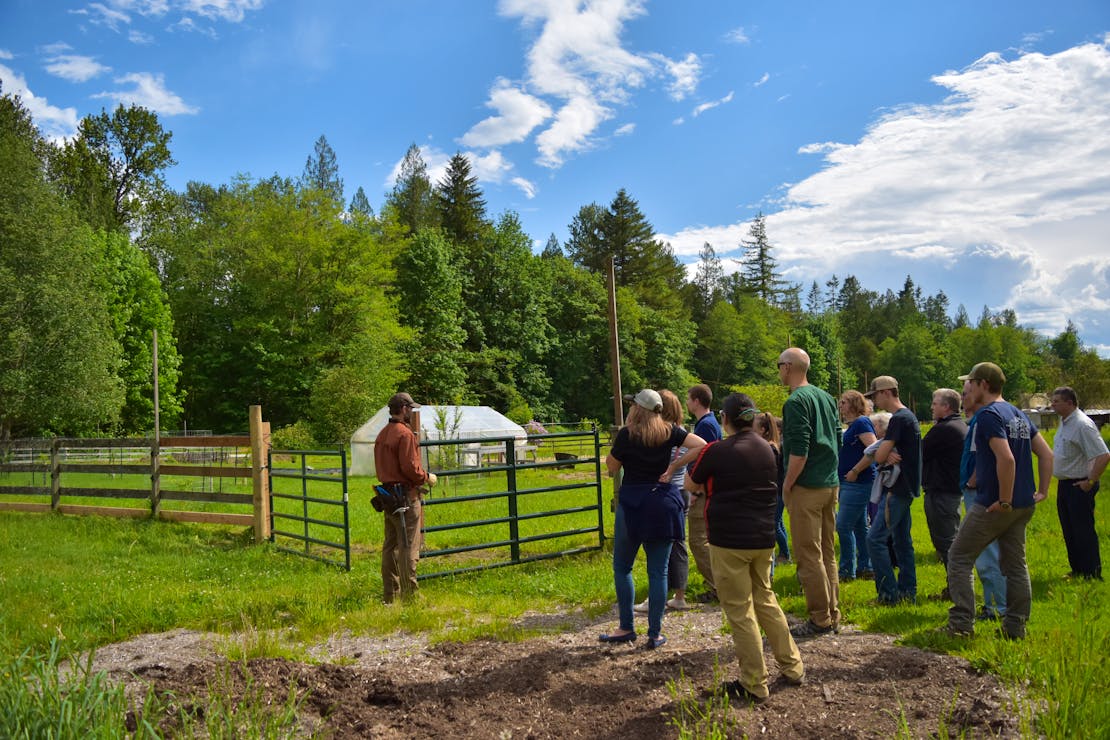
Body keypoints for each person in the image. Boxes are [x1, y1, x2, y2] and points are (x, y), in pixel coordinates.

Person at [686, 393, 805, 704]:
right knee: (766, 600)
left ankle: (754, 682)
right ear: (752, 419)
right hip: (763, 538)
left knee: (740, 611)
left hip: (729, 541)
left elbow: (690, 484)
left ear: (725, 419)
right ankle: (793, 666)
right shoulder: (769, 449)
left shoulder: (717, 450)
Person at [944, 363, 1052, 640]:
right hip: (1023, 504)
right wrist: (1042, 491)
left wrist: (1003, 500)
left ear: (983, 384)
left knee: (958, 557)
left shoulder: (989, 415)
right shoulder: (1017, 413)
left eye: (970, 383)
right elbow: (1047, 454)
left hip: (995, 504)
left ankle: (961, 625)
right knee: (1016, 565)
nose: (967, 388)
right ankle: (1015, 628)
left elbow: (1007, 458)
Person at [601, 389, 706, 649]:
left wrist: (614, 457)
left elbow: (612, 467)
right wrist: (673, 467)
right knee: (658, 571)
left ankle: (626, 626)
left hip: (633, 504)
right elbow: (701, 445)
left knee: (623, 567)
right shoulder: (670, 431)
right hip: (662, 503)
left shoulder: (628, 434)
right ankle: (655, 633)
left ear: (637, 409)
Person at [777, 347, 841, 638]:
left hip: (807, 485)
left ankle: (819, 618)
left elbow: (799, 450)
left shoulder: (795, 401)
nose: (778, 371)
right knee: (827, 552)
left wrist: (787, 484)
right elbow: (837, 437)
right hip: (830, 483)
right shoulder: (826, 397)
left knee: (808, 555)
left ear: (789, 367)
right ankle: (832, 612)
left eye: (780, 365)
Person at [374, 392, 437, 603]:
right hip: (406, 497)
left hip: (388, 496)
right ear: (402, 408)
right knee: (409, 546)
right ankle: (411, 596)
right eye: (410, 408)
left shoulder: (383, 434)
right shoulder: (405, 434)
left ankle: (390, 595)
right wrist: (427, 477)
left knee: (390, 545)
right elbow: (410, 467)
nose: (411, 412)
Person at [864, 375, 921, 605]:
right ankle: (908, 591)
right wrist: (886, 453)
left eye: (875, 395)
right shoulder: (909, 417)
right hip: (906, 487)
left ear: (886, 392)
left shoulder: (899, 419)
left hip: (896, 488)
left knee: (875, 539)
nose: (875, 401)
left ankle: (888, 594)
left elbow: (877, 455)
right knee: (901, 541)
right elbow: (881, 454)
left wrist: (885, 454)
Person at [635, 389, 693, 612]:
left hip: (663, 492)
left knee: (657, 546)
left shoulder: (663, 433)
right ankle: (679, 595)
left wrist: (672, 467)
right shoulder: (682, 431)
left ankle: (655, 597)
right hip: (681, 492)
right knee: (678, 543)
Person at [1050, 386, 1110, 580]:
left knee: (1082, 530)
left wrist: (1090, 480)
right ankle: (1077, 570)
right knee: (1069, 530)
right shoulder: (1064, 422)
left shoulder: (1082, 424)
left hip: (1080, 484)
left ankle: (1092, 573)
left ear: (1070, 403)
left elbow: (1103, 455)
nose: (1052, 404)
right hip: (1065, 484)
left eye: (1056, 401)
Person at [959, 383, 1007, 619]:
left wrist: (972, 482)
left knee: (985, 552)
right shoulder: (994, 416)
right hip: (992, 493)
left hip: (982, 493)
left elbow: (984, 457)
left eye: (966, 393)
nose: (962, 398)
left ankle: (996, 608)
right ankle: (1000, 605)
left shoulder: (983, 420)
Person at [922, 388, 969, 594]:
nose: (931, 407)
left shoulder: (944, 429)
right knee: (950, 541)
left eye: (935, 403)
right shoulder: (960, 425)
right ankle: (955, 588)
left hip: (942, 493)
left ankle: (957, 590)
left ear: (946, 406)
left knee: (947, 543)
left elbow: (919, 452)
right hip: (951, 491)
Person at [685, 384, 723, 603]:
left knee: (698, 541)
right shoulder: (708, 423)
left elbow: (703, 459)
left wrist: (696, 489)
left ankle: (717, 586)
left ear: (697, 401)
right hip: (705, 487)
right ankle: (716, 582)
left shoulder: (706, 426)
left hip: (702, 489)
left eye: (689, 399)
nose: (687, 402)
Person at [836, 390, 877, 581]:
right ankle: (866, 567)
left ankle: (846, 570)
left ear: (853, 403)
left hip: (858, 482)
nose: (840, 406)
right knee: (860, 527)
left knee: (843, 526)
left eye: (843, 402)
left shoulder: (861, 422)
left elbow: (873, 449)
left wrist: (855, 471)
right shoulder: (853, 425)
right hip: (851, 482)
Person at [756, 412, 791, 566]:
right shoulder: (773, 445)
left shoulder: (771, 448)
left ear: (763, 429)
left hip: (776, 491)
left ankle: (785, 554)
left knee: (773, 524)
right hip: (778, 490)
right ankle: (784, 553)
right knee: (778, 523)